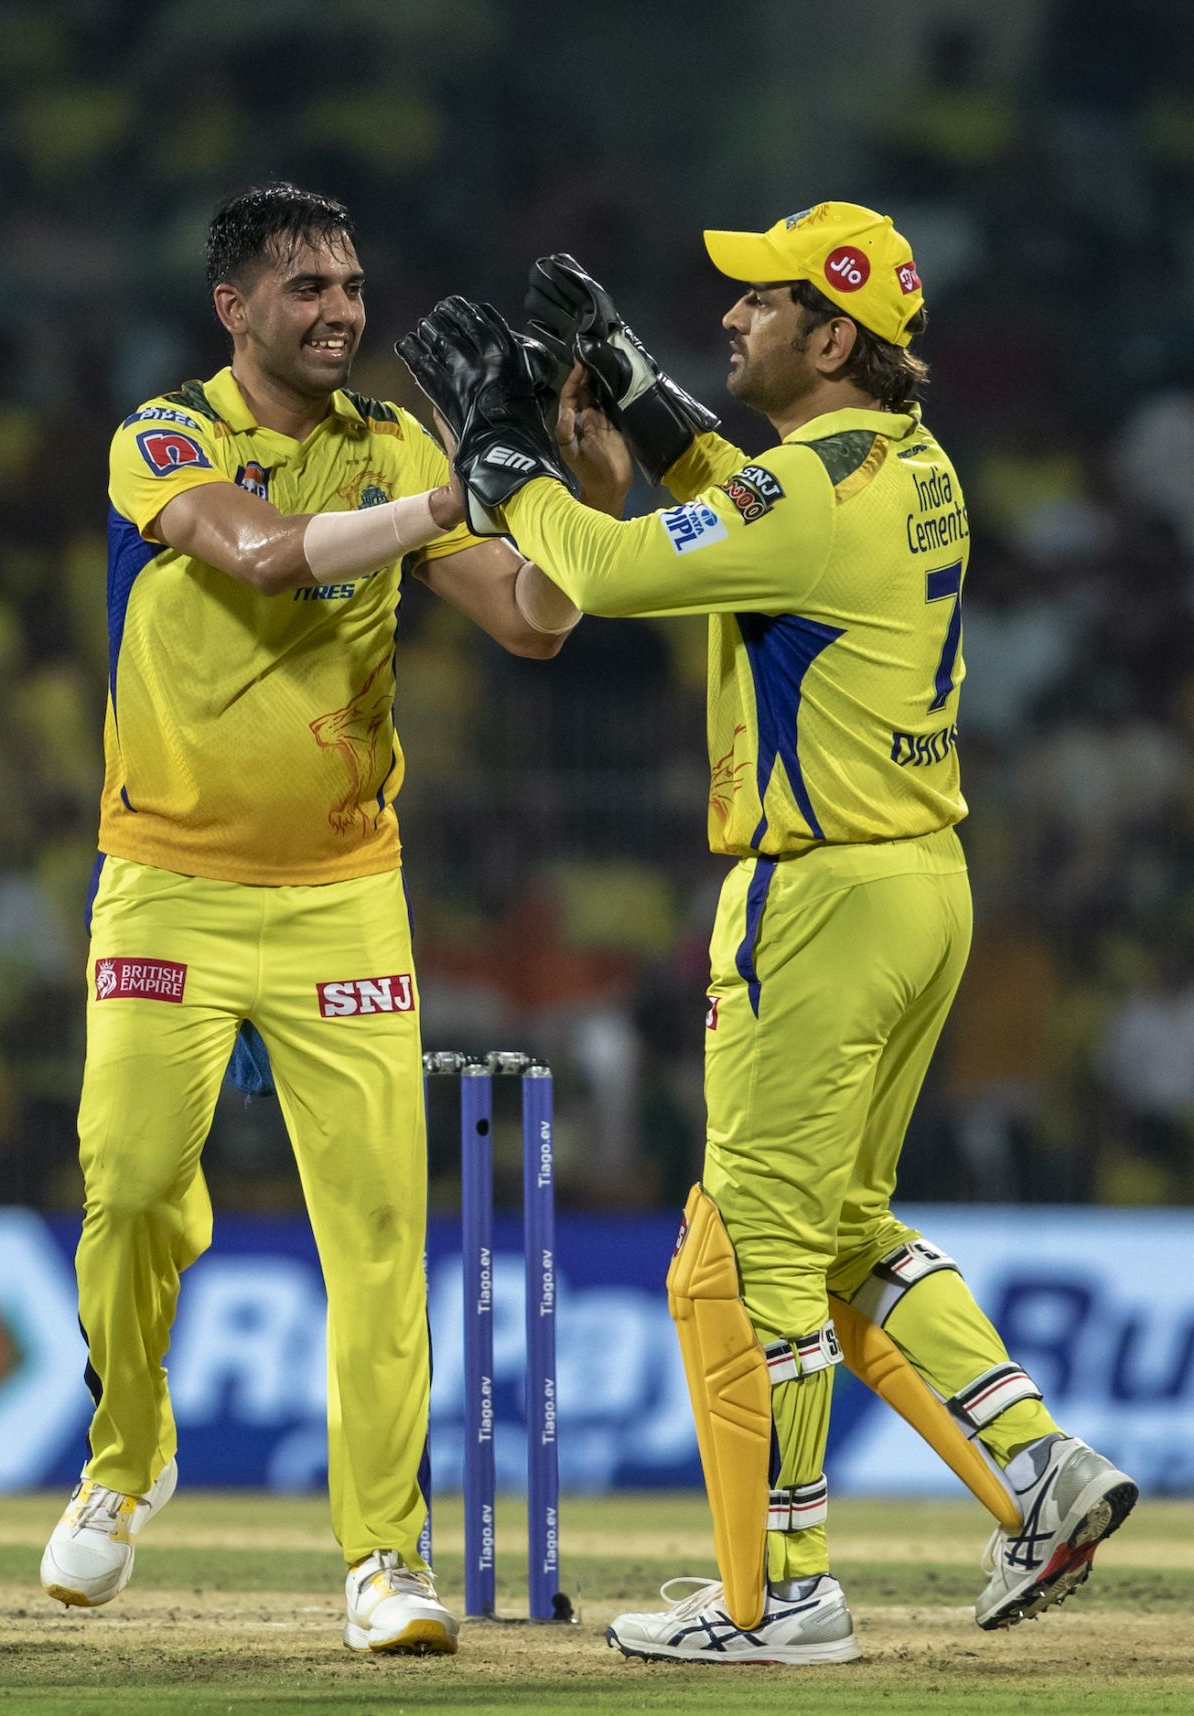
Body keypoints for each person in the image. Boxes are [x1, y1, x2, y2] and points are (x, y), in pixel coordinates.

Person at [397, 201, 1138, 1666]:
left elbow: (605, 577)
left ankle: (776, 1597)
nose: (729, 318)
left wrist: (497, 455)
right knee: (848, 1230)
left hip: (816, 898)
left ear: (833, 335)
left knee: (734, 1262)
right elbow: (756, 494)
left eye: (759, 301)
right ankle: (1038, 1465)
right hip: (920, 884)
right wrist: (631, 383)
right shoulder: (906, 463)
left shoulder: (815, 489)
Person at [39, 181, 585, 1656]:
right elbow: (267, 557)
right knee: (135, 1189)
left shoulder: (398, 441)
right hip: (165, 877)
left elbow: (535, 621)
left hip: (346, 896)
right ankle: (126, 1463)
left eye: (352, 284)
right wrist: (453, 494)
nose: (343, 309)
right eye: (308, 288)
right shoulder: (162, 436)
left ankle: (383, 1559)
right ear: (235, 307)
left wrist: (557, 481)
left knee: (378, 1231)